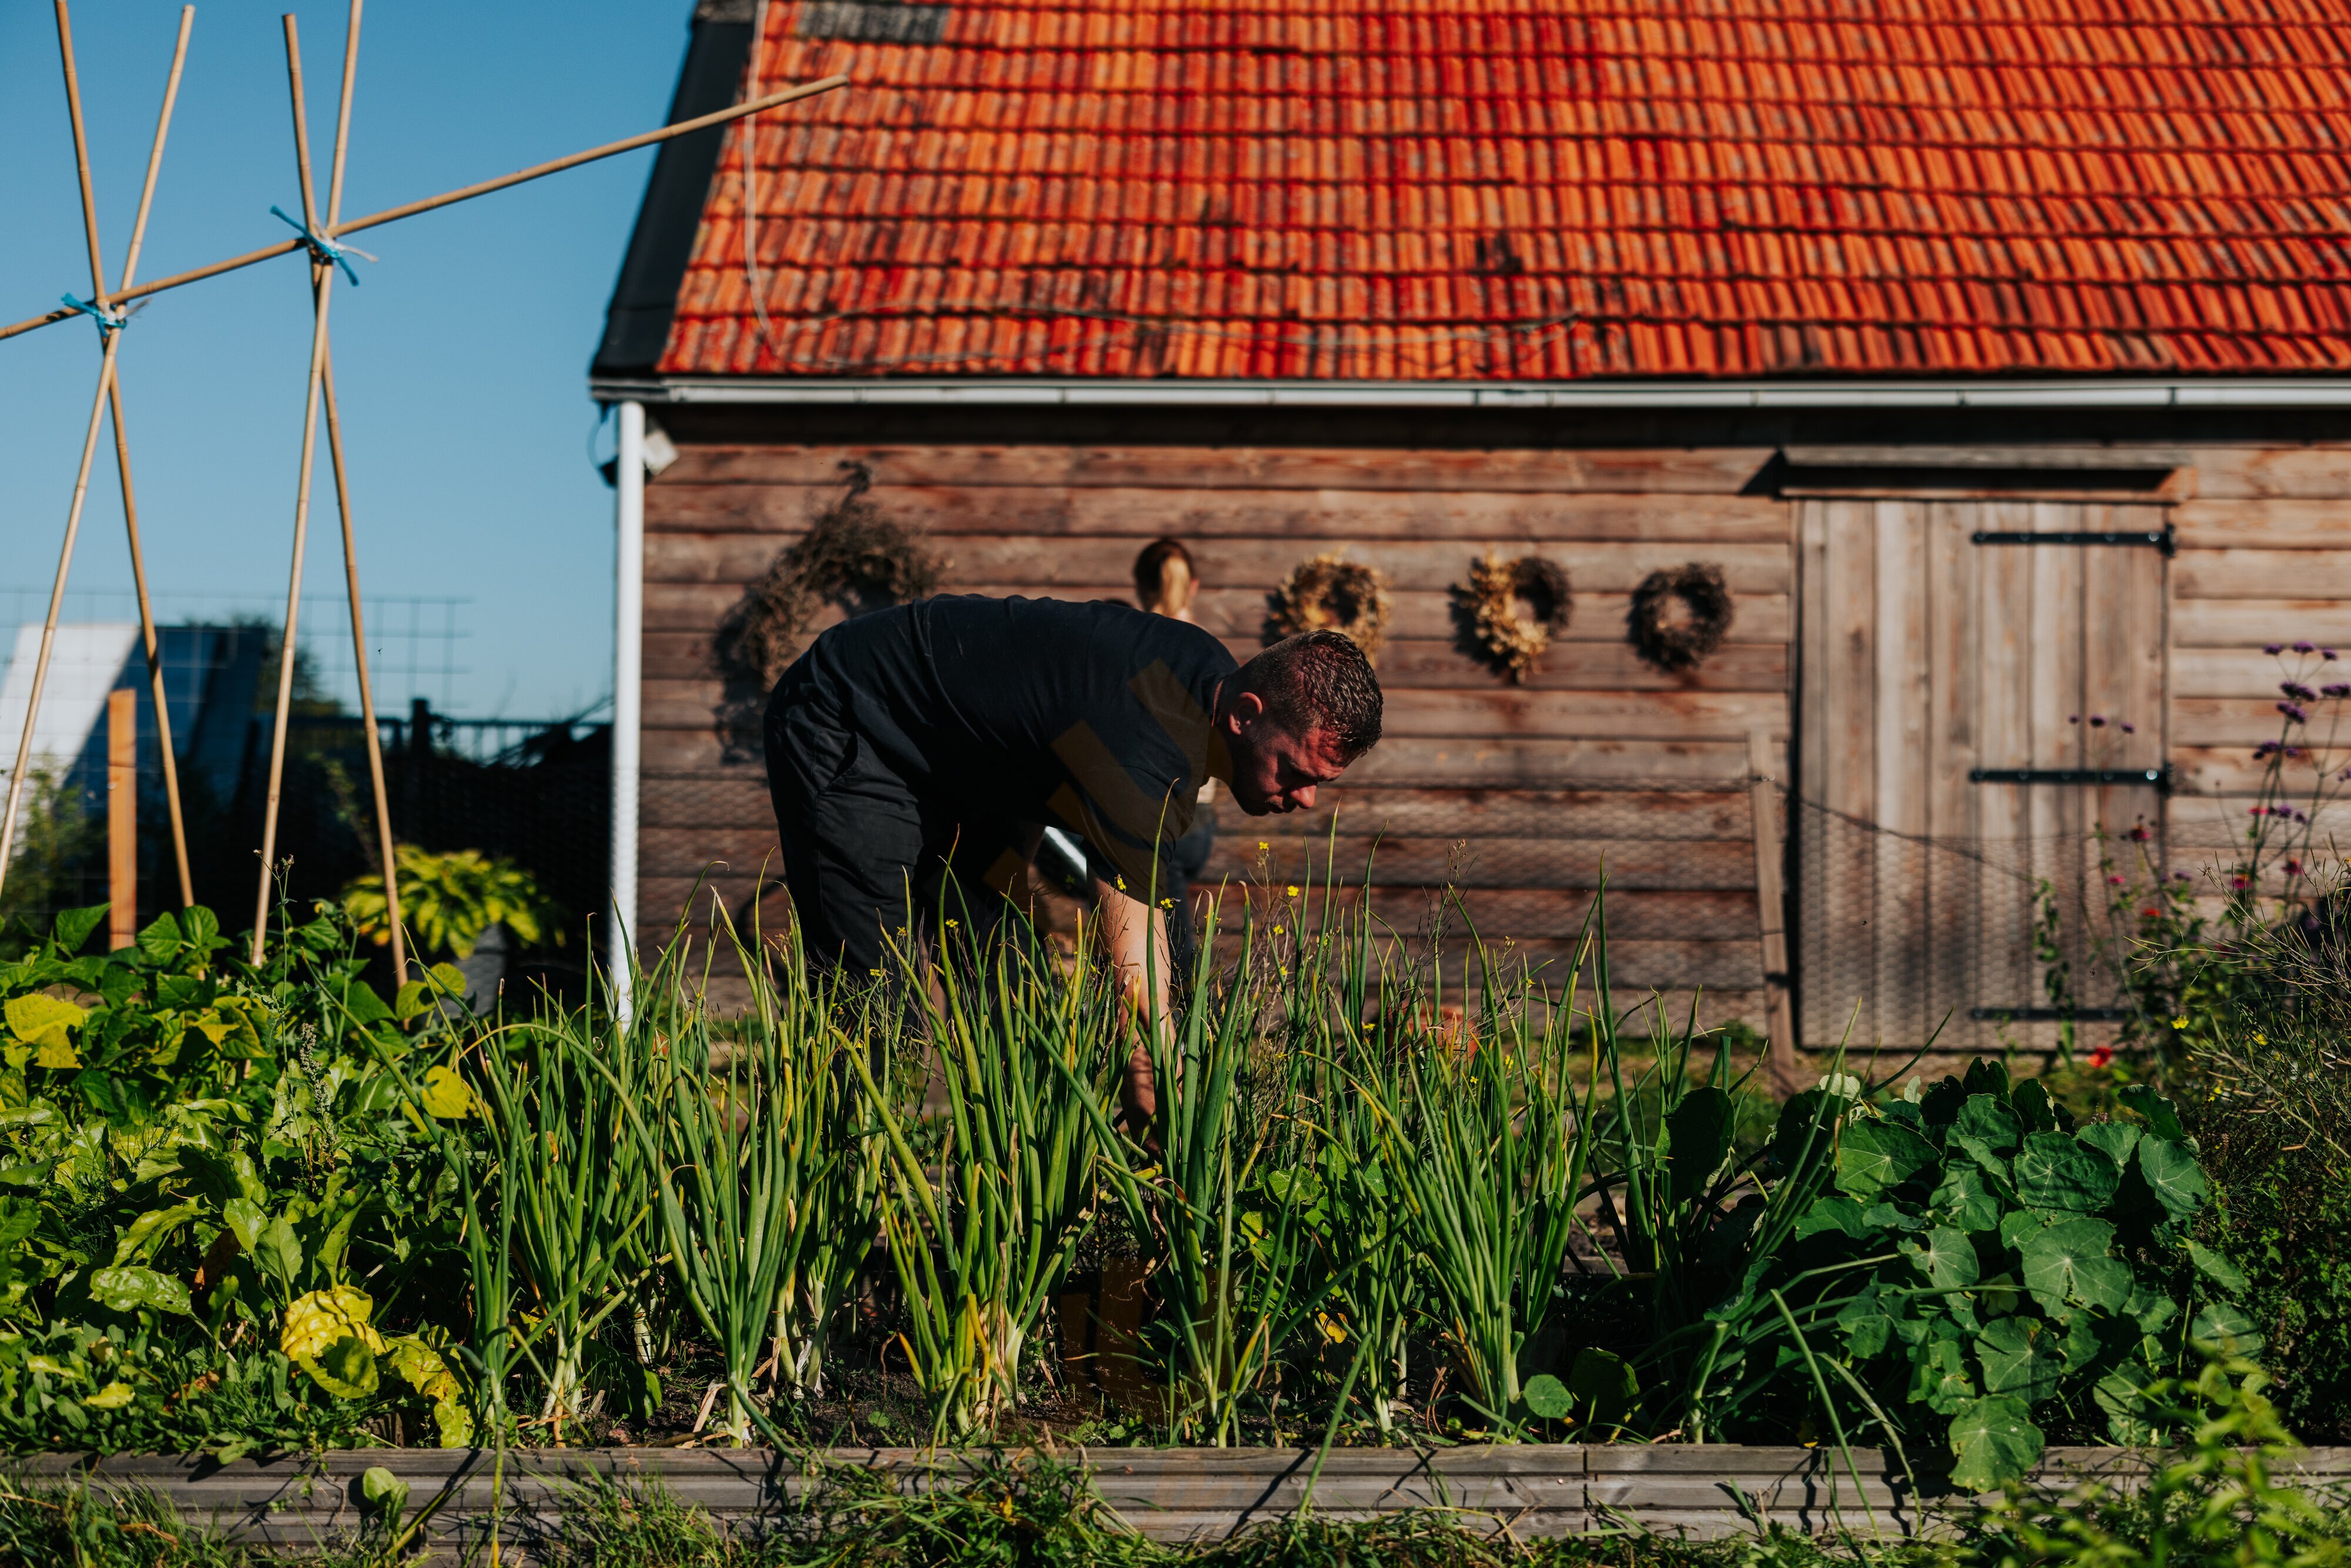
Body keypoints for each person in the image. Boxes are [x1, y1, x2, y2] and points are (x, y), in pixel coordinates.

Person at [763, 594, 1381, 1124]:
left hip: (968, 764)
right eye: (1299, 771)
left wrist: (1185, 1031)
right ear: (1246, 714)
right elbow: (1134, 980)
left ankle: (1011, 1165)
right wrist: (1153, 1073)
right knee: (875, 1003)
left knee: (1008, 970)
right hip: (853, 716)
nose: (1304, 798)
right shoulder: (1144, 741)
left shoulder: (1197, 685)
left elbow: (1055, 750)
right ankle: (822, 1201)